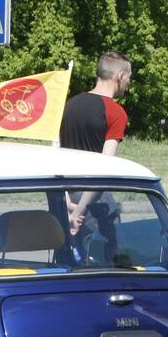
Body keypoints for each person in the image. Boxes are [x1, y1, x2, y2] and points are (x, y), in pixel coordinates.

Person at [59, 51, 131, 253]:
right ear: (119, 76)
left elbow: (57, 155)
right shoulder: (115, 112)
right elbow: (103, 169)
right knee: (102, 262)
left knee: (66, 262)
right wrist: (79, 212)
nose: (128, 83)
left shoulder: (69, 105)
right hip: (93, 204)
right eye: (128, 78)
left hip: (64, 194)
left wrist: (65, 201)